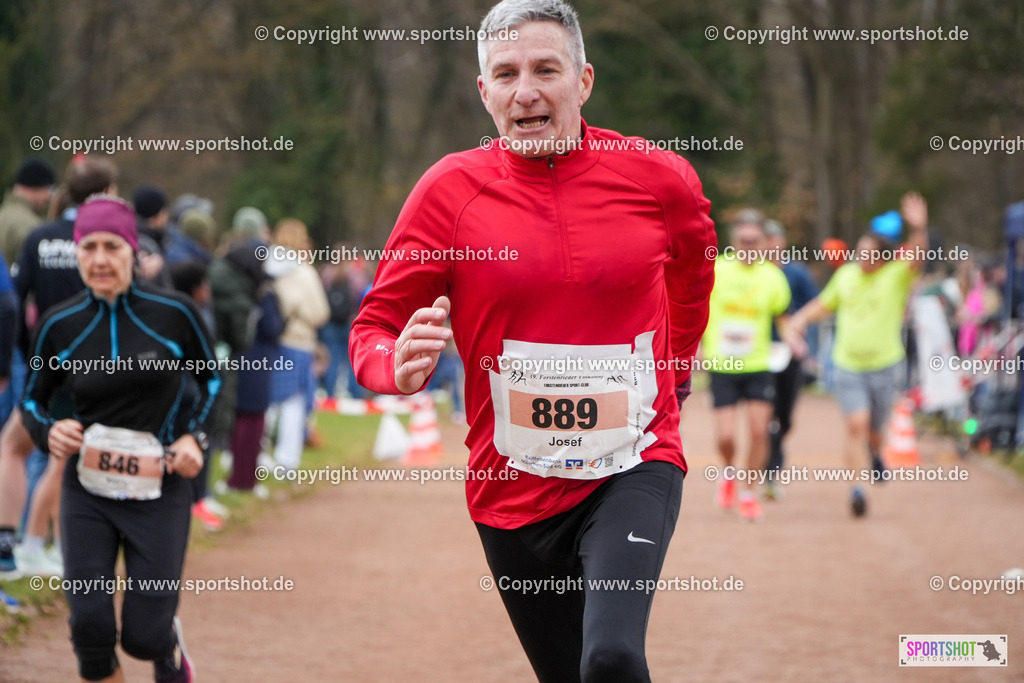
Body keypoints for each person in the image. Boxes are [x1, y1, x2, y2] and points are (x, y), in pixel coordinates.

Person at [350, 1, 715, 679]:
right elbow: (373, 326)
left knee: (610, 655)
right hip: (509, 485)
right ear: (483, 91)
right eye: (506, 73)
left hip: (632, 459)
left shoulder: (659, 180)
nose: (527, 91)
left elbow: (692, 279)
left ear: (583, 81)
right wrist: (391, 368)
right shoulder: (447, 193)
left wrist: (677, 369)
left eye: (546, 69)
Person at [21, 195, 220, 682]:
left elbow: (213, 379)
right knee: (89, 628)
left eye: (113, 246)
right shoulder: (59, 324)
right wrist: (52, 431)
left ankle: (167, 645)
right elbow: (31, 402)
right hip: (87, 489)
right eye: (88, 247)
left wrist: (196, 438)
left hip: (161, 487)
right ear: (77, 253)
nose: (101, 259)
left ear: (133, 250)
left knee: (143, 636)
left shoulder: (173, 314)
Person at [0, 157, 119, 579]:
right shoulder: (109, 241)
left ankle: (16, 544)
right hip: (89, 362)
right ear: (106, 193)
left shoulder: (41, 236)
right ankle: (34, 544)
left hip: (42, 360)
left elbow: (14, 298)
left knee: (20, 448)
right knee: (57, 457)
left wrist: (23, 353)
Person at [789, 192, 929, 517]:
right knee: (856, 424)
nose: (861, 257)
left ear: (882, 258)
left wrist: (919, 229)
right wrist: (799, 318)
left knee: (875, 429)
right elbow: (824, 304)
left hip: (885, 365)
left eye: (868, 253)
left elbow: (918, 257)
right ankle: (856, 488)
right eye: (860, 251)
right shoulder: (846, 276)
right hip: (849, 365)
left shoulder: (895, 275)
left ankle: (876, 451)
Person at [702, 212, 796, 520]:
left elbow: (782, 316)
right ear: (734, 241)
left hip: (758, 364)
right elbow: (698, 307)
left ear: (763, 243)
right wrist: (697, 345)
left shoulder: (772, 277)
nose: (749, 246)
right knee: (726, 436)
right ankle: (729, 473)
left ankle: (749, 491)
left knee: (759, 431)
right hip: (722, 364)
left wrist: (793, 337)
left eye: (754, 241)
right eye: (743, 240)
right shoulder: (717, 269)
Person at [264, 219, 329, 472]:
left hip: (273, 342)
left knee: (268, 402)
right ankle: (287, 459)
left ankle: (257, 453)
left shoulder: (268, 267)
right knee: (294, 403)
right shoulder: (303, 272)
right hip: (298, 343)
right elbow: (320, 312)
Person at [763, 219, 819, 497]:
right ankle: (768, 470)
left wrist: (804, 335)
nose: (770, 245)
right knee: (763, 414)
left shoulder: (796, 273)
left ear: (782, 242)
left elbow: (815, 304)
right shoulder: (755, 273)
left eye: (774, 239)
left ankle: (773, 450)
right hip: (759, 353)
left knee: (784, 417)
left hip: (790, 351)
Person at [0, 157, 55, 266]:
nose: (49, 197)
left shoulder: (3, 214)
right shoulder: (30, 226)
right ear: (34, 187)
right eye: (48, 189)